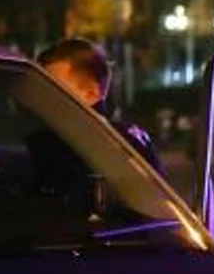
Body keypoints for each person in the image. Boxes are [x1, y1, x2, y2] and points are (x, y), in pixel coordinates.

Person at [38, 37, 164, 174]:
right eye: (41, 86)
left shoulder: (121, 142)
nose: (43, 95)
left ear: (91, 93)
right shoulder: (130, 137)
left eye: (53, 86)